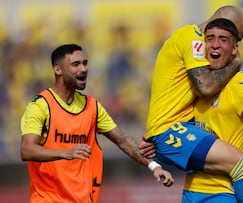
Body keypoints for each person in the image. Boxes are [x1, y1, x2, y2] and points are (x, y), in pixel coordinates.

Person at [20, 44, 174, 203]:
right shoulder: (40, 106)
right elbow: (27, 150)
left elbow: (122, 140)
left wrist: (154, 166)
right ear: (58, 70)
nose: (84, 69)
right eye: (76, 64)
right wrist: (64, 153)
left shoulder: (92, 106)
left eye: (85, 63)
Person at [144, 5, 243, 202]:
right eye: (236, 36)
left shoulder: (198, 45)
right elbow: (206, 87)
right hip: (169, 129)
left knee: (234, 164)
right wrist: (235, 64)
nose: (236, 45)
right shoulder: (192, 38)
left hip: (180, 127)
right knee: (239, 162)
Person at [181, 18, 243, 203]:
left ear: (235, 49)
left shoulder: (239, 86)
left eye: (223, 40)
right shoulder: (192, 83)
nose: (215, 45)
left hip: (223, 191)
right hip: (190, 190)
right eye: (210, 38)